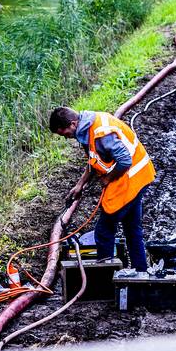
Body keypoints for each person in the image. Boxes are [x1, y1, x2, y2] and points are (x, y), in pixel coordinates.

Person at [49, 106, 155, 272]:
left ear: (73, 124)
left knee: (104, 230)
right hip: (141, 175)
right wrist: (80, 185)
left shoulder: (102, 134)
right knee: (132, 228)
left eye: (65, 134)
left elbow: (124, 161)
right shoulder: (89, 126)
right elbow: (94, 159)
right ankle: (140, 272)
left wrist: (107, 178)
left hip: (131, 178)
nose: (66, 138)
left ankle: (106, 277)